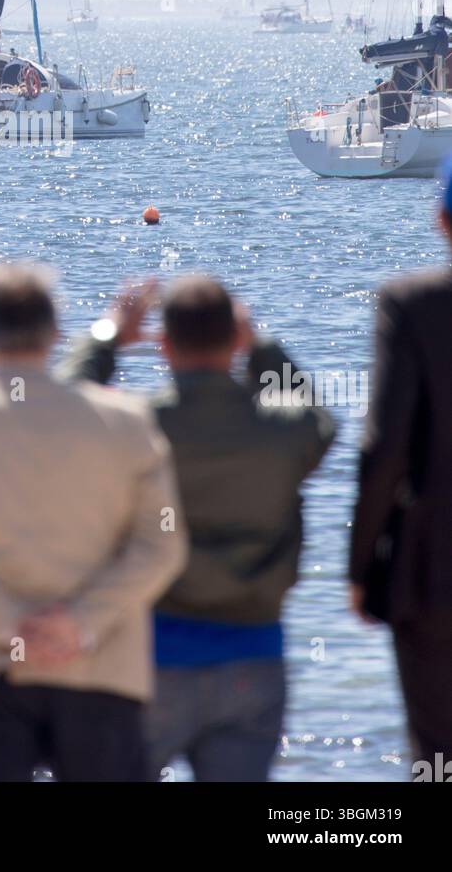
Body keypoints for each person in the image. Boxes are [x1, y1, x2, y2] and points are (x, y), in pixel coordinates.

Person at [0, 262, 186, 783]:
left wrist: (9, 624)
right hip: (98, 665)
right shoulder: (125, 421)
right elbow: (160, 544)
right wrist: (81, 622)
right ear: (54, 333)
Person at [61, 275, 335, 782]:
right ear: (235, 340)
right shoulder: (279, 432)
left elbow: (59, 416)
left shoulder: (133, 427)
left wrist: (105, 338)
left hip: (146, 655)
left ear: (161, 344)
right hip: (251, 652)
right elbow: (320, 421)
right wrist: (262, 347)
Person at [350, 159, 452, 775]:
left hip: (432, 572)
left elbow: (385, 446)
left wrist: (362, 567)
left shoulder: (413, 306)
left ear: (442, 219)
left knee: (437, 755)